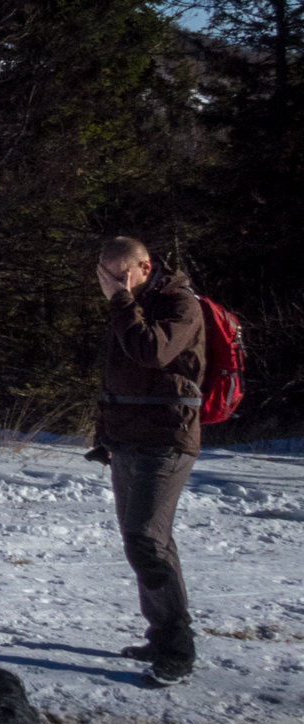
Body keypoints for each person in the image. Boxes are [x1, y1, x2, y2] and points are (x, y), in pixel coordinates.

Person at [88, 236, 205, 687]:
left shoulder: (181, 305)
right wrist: (106, 434)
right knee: (147, 539)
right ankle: (162, 633)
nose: (113, 283)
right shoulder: (130, 304)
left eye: (121, 274)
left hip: (168, 437)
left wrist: (120, 300)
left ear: (144, 266)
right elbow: (116, 373)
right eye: (106, 274)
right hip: (128, 438)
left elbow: (151, 351)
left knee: (145, 540)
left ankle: (179, 648)